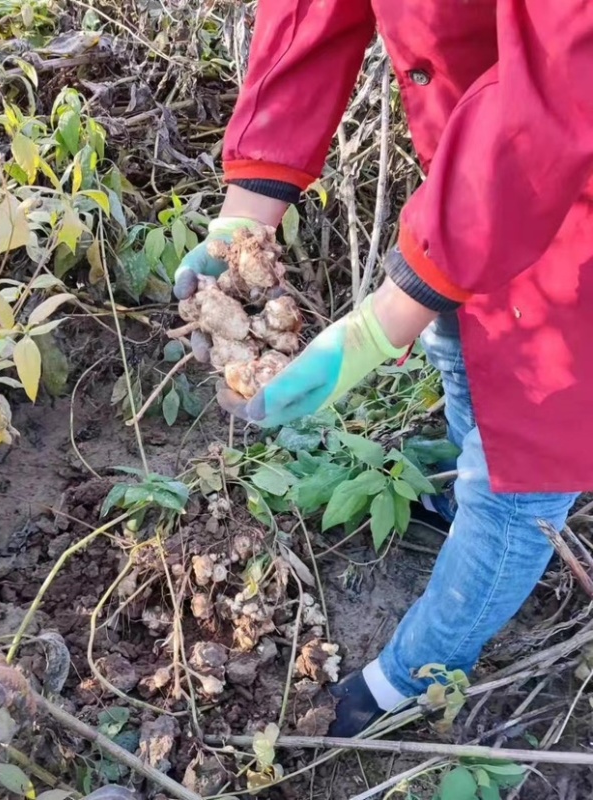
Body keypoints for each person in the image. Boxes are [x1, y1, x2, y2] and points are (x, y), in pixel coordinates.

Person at [174, 1, 593, 736]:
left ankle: (417, 674)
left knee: (521, 482)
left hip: (573, 197)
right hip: (474, 175)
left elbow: (568, 77)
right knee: (458, 338)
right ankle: (468, 502)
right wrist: (251, 207)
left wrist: (382, 323)